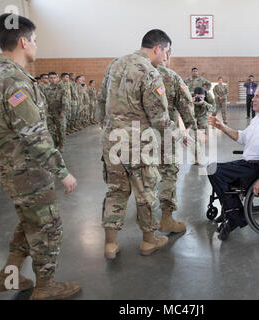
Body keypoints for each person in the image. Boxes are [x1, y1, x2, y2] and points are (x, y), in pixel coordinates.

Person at [0, 13, 80, 300]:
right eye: (35, 41)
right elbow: (34, 134)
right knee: (48, 225)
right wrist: (63, 172)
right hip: (26, 168)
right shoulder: (14, 80)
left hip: (10, 165)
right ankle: (46, 287)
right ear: (23, 42)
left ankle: (9, 275)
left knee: (30, 220)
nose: (37, 47)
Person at [100, 29, 189, 259]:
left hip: (112, 140)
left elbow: (100, 101)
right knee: (146, 192)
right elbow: (159, 119)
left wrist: (109, 128)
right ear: (158, 48)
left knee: (116, 190)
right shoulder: (150, 73)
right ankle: (149, 241)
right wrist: (178, 135)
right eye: (166, 51)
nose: (166, 57)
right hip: (138, 143)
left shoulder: (115, 64)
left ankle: (110, 244)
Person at [207, 84, 259, 231]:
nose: (253, 99)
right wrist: (222, 127)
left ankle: (234, 216)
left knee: (215, 171)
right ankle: (231, 211)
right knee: (212, 168)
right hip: (246, 164)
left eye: (258, 96)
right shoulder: (257, 119)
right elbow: (242, 138)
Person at [157, 48, 200, 234]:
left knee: (140, 176)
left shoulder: (127, 71)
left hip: (134, 135)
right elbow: (186, 105)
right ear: (166, 54)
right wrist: (191, 130)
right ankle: (166, 220)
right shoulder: (170, 76)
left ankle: (112, 241)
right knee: (168, 173)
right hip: (165, 133)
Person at [45, 72, 69, 152]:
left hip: (59, 112)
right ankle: (55, 144)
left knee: (61, 130)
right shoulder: (46, 89)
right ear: (48, 79)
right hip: (49, 112)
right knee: (51, 130)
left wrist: (63, 111)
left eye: (54, 77)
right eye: (51, 78)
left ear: (57, 78)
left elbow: (65, 100)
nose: (53, 79)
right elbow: (44, 100)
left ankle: (61, 145)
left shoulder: (61, 88)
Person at [193, 86, 215, 164]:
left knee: (202, 142)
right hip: (193, 123)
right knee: (194, 142)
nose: (199, 98)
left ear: (204, 96)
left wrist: (203, 103)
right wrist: (191, 102)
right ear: (194, 95)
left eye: (201, 97)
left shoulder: (207, 99)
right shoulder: (191, 97)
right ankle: (196, 158)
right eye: (197, 96)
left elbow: (213, 109)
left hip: (203, 124)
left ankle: (200, 157)